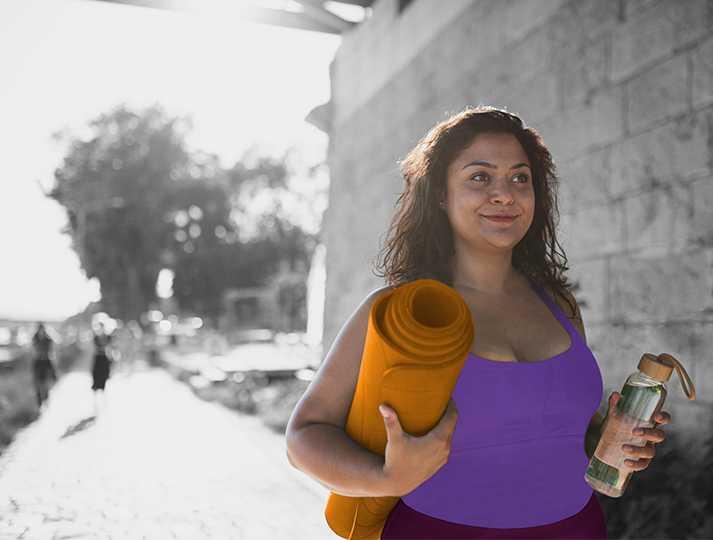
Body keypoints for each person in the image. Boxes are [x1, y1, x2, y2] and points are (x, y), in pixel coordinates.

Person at [285, 107, 672, 539]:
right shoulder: (400, 311)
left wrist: (612, 439)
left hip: (577, 529)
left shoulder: (560, 304)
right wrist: (384, 480)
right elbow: (304, 435)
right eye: (480, 177)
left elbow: (553, 437)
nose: (504, 194)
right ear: (439, 194)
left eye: (520, 178)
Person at [31, 323, 58, 407]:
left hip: (46, 361)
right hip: (38, 362)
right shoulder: (35, 339)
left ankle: (46, 399)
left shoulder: (48, 340)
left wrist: (54, 364)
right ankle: (39, 404)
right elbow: (32, 352)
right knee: (37, 384)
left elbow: (52, 353)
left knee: (46, 383)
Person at [91, 324, 113, 395]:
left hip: (104, 358)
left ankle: (103, 395)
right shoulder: (96, 337)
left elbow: (110, 347)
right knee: (96, 376)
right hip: (98, 358)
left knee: (105, 375)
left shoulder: (108, 337)